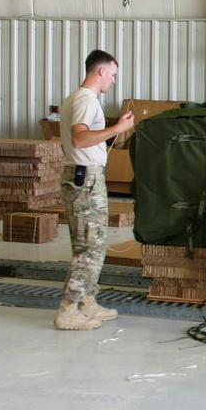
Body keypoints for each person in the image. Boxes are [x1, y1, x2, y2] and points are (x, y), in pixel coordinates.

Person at [55, 50, 135, 330]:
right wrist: (117, 128)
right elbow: (80, 139)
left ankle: (86, 301)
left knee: (93, 245)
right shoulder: (85, 100)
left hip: (84, 176)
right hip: (84, 178)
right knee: (89, 248)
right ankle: (68, 309)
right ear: (101, 71)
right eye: (112, 74)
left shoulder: (80, 99)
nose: (113, 80)